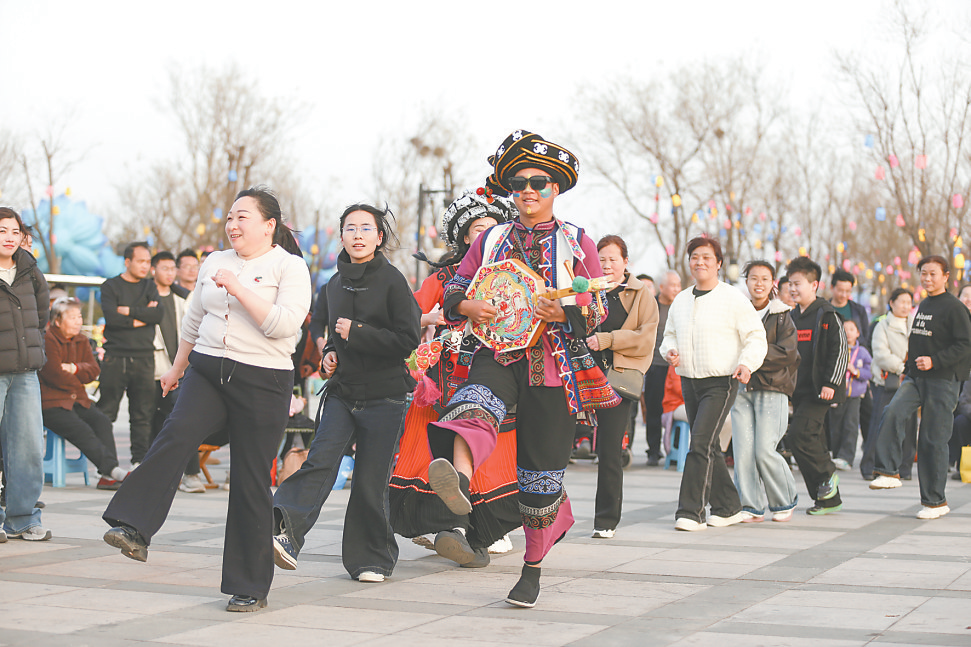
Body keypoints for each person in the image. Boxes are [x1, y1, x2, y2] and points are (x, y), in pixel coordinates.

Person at [423, 130, 616, 608]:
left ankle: (531, 569)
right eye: (518, 183)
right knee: (473, 405)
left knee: (539, 477)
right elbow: (456, 286)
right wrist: (469, 305)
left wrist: (565, 312)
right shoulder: (490, 239)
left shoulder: (577, 242)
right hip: (498, 352)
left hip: (554, 367)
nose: (528, 189)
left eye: (539, 182)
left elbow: (597, 310)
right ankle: (459, 483)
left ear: (556, 188)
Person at [102, 187, 311, 612]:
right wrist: (177, 368)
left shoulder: (289, 268)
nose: (233, 225)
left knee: (251, 478)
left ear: (269, 225)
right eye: (230, 217)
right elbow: (194, 318)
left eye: (243, 218)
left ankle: (249, 585)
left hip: (264, 378)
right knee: (176, 433)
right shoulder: (215, 260)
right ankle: (135, 527)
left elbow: (283, 326)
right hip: (208, 370)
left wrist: (237, 287)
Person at [271, 203, 420, 584]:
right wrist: (331, 354)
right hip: (342, 393)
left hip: (385, 396)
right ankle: (282, 531)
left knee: (371, 480)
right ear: (341, 236)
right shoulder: (332, 285)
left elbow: (408, 339)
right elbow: (331, 339)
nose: (357, 235)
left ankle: (372, 559)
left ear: (379, 237)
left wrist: (358, 332)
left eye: (366, 229)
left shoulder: (393, 281)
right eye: (350, 228)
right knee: (320, 461)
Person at [390, 190, 520, 567]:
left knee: (493, 449)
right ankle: (451, 527)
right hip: (445, 377)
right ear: (465, 237)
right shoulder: (445, 277)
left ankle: (483, 528)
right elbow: (406, 314)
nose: (486, 236)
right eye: (479, 230)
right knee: (440, 452)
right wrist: (433, 318)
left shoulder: (512, 276)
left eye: (494, 230)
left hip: (496, 372)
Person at [660, 236, 766, 531]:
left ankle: (691, 512)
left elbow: (755, 337)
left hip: (722, 380)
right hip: (690, 380)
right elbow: (669, 335)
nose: (700, 262)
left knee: (701, 443)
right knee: (710, 446)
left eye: (707, 257)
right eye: (695, 257)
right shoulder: (681, 300)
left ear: (719, 264)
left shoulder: (732, 298)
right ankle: (729, 506)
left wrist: (747, 363)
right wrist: (669, 350)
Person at [869, 256, 971, 520]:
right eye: (923, 273)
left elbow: (965, 345)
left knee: (932, 440)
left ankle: (935, 502)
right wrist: (910, 370)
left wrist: (935, 361)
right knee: (892, 411)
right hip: (917, 378)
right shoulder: (924, 304)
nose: (927, 278)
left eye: (933, 274)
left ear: (946, 276)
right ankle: (888, 471)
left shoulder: (955, 308)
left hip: (944, 380)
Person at [586, 235, 658, 537]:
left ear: (625, 262)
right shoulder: (586, 290)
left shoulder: (640, 294)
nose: (607, 265)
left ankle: (606, 520)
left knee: (610, 450)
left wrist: (608, 339)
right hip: (582, 375)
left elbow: (645, 336)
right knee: (558, 445)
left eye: (613, 259)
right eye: (601, 259)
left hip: (617, 378)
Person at [730, 261, 799, 523]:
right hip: (741, 388)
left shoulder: (782, 315)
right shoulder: (737, 312)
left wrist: (750, 359)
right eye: (754, 278)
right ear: (746, 281)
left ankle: (784, 500)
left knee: (764, 450)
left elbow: (787, 353)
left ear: (773, 283)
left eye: (765, 279)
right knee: (743, 451)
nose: (759, 283)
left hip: (773, 388)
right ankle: (750, 505)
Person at [0, 207, 51, 541]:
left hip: (25, 372)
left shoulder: (30, 269)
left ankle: (21, 518)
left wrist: (31, 348)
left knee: (29, 447)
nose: (9, 237)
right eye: (2, 231)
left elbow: (42, 313)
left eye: (14, 231)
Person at [41, 297, 128, 490]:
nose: (78, 321)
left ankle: (107, 476)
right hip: (52, 403)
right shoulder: (48, 339)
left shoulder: (81, 340)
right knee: (82, 429)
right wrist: (79, 375)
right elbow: (53, 374)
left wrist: (73, 368)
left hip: (77, 399)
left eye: (79, 316)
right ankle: (112, 470)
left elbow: (94, 370)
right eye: (72, 317)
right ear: (57, 321)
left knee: (102, 421)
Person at [786, 256, 848, 515]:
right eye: (790, 283)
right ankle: (827, 499)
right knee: (810, 441)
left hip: (820, 391)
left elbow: (840, 350)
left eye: (798, 283)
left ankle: (828, 473)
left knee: (799, 435)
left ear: (814, 285)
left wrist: (831, 383)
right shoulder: (790, 316)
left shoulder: (827, 314)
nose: (792, 289)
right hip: (798, 392)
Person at [97, 241, 162, 467]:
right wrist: (143, 315)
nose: (146, 266)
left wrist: (129, 312)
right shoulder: (110, 286)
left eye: (148, 262)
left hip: (144, 358)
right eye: (141, 261)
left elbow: (158, 315)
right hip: (116, 357)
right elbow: (112, 319)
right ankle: (105, 467)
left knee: (142, 415)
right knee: (106, 413)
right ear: (127, 262)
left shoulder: (150, 286)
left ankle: (139, 464)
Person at [146, 251, 201, 493]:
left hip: (179, 369)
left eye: (171, 269)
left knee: (182, 418)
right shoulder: (146, 295)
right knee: (150, 420)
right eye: (164, 268)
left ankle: (190, 473)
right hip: (151, 368)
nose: (169, 273)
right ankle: (153, 472)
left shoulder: (185, 299)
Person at [860, 288, 916, 479]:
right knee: (880, 423)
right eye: (902, 301)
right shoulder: (881, 325)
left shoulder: (915, 325)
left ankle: (904, 467)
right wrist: (902, 367)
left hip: (910, 382)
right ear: (891, 303)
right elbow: (881, 355)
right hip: (886, 382)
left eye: (909, 302)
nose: (906, 306)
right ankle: (870, 466)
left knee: (909, 426)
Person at [642, 270, 681, 465]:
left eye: (678, 285)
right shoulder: (651, 306)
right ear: (662, 288)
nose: (676, 289)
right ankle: (653, 450)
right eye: (672, 285)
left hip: (676, 367)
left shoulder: (681, 307)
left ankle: (674, 449)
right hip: (655, 365)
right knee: (654, 408)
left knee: (675, 409)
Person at [827, 320, 871, 470]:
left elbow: (870, 372)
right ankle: (837, 455)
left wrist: (856, 371)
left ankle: (847, 457)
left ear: (858, 333)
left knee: (851, 425)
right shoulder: (836, 349)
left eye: (851, 329)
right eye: (844, 329)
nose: (848, 332)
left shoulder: (862, 352)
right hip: (837, 395)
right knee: (836, 425)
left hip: (854, 396)